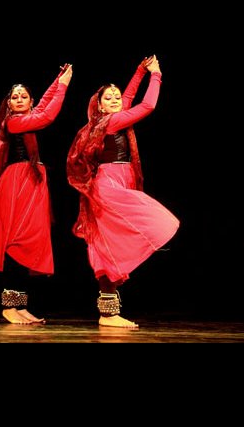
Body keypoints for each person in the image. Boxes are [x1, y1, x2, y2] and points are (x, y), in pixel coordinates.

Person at [66, 55, 180, 328]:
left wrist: (140, 71)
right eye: (109, 98)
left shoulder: (111, 118)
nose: (116, 100)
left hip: (117, 180)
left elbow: (128, 98)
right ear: (99, 106)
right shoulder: (110, 122)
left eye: (117, 96)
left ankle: (108, 313)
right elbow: (148, 105)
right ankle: (108, 313)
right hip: (109, 184)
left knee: (108, 248)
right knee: (156, 222)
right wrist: (156, 75)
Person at [0, 64, 73, 324]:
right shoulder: (13, 122)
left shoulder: (29, 116)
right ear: (9, 104)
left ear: (30, 101)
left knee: (30, 242)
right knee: (15, 241)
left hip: (33, 180)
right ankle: (8, 306)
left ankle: (20, 304)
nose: (20, 99)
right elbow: (48, 115)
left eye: (24, 96)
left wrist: (58, 78)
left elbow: (44, 106)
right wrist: (64, 85)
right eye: (15, 97)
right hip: (17, 181)